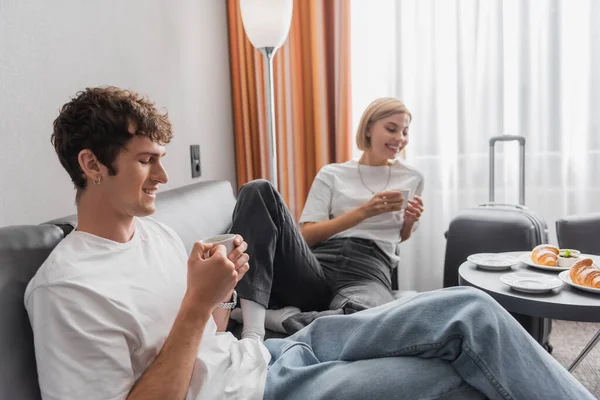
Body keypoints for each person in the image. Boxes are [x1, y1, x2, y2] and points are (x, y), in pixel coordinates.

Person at [25, 86, 595, 400]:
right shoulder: (68, 290)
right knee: (459, 379)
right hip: (262, 391)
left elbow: (205, 331)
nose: (163, 178)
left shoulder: (152, 233)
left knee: (471, 309)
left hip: (271, 352)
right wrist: (199, 304)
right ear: (91, 164)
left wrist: (221, 302)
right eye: (147, 161)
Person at [233, 98, 425, 336]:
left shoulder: (412, 177)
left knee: (366, 316)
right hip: (316, 265)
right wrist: (365, 211)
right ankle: (253, 329)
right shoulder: (333, 173)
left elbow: (400, 237)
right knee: (258, 189)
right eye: (391, 129)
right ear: (368, 128)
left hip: (368, 269)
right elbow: (308, 236)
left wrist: (409, 221)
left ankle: (283, 319)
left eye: (405, 132)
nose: (400, 138)